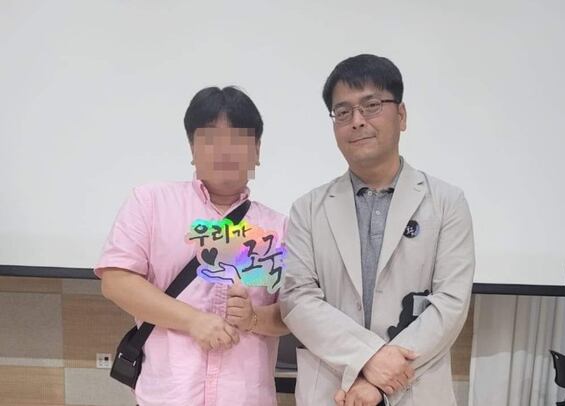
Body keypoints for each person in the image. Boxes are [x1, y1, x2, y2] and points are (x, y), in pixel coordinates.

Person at [280, 54, 475, 406]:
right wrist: (368, 360)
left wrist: (380, 382)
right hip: (333, 390)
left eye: (371, 106)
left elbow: (451, 304)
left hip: (414, 388)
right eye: (343, 112)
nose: (357, 121)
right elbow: (297, 299)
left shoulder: (447, 202)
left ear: (401, 115)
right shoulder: (307, 209)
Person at [96, 86, 289, 406]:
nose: (225, 150)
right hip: (168, 396)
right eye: (211, 138)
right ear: (192, 148)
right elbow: (117, 281)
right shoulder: (151, 202)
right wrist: (193, 320)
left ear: (256, 150)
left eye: (238, 139)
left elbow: (292, 313)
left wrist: (254, 318)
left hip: (246, 397)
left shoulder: (278, 228)